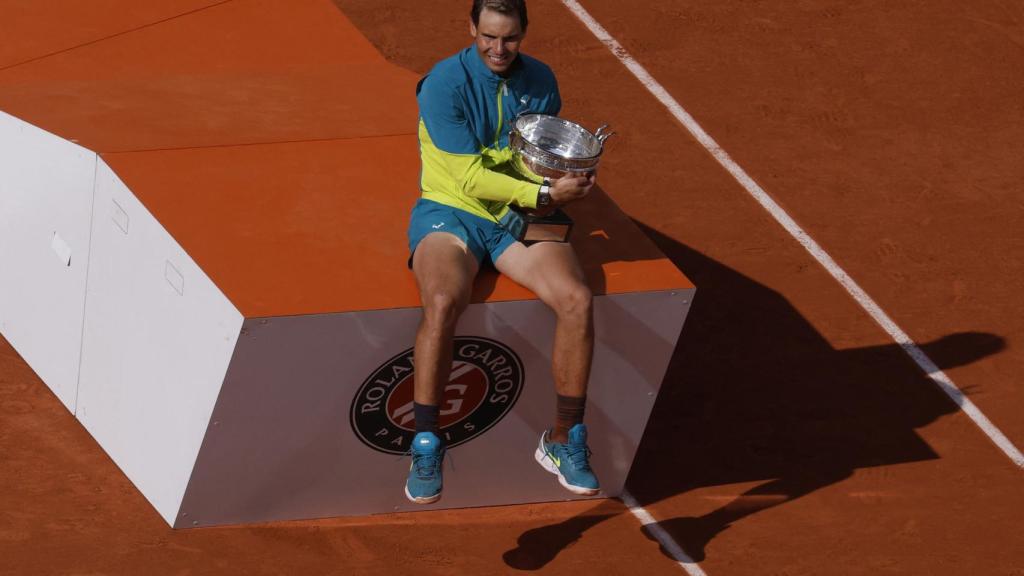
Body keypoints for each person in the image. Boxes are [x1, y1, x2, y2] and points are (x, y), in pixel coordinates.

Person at [404, 0, 599, 505]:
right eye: (488, 37)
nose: (498, 48)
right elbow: (467, 176)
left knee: (577, 299)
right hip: (453, 212)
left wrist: (567, 177)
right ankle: (426, 441)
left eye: (509, 38)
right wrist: (543, 195)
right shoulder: (443, 84)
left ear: (523, 33)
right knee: (445, 300)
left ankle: (563, 440)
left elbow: (538, 156)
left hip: (516, 218)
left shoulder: (541, 79)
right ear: (472, 29)